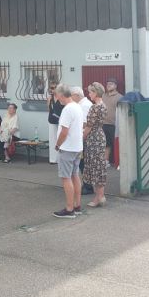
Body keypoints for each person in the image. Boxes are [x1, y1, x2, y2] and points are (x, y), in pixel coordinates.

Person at [53, 84, 84, 219]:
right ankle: (77, 206)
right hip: (77, 146)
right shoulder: (77, 106)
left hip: (67, 147)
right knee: (75, 175)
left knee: (66, 178)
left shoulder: (67, 109)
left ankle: (69, 209)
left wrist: (58, 144)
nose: (56, 98)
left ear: (61, 95)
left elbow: (64, 131)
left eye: (56, 95)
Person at [83, 83, 108, 207]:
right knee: (99, 166)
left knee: (95, 167)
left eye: (90, 92)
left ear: (96, 93)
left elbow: (89, 125)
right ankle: (100, 196)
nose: (89, 94)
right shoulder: (103, 105)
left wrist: (83, 137)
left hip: (93, 137)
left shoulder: (95, 107)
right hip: (100, 136)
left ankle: (99, 197)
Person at [70, 86, 94, 195]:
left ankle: (88, 186)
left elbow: (85, 123)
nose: (70, 98)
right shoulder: (82, 104)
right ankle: (87, 184)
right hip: (83, 137)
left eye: (71, 96)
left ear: (76, 95)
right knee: (82, 163)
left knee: (84, 163)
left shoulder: (84, 105)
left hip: (84, 137)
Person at [102, 78, 122, 166]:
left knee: (116, 143)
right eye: (107, 84)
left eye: (111, 84)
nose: (108, 85)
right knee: (106, 144)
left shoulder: (120, 97)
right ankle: (106, 161)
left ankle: (118, 162)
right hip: (103, 124)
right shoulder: (103, 96)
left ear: (115, 86)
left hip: (114, 124)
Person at [47, 82, 63, 164]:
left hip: (61, 121)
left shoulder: (62, 97)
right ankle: (53, 159)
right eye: (51, 88)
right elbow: (49, 109)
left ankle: (61, 158)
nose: (52, 90)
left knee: (60, 139)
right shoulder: (50, 98)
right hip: (52, 120)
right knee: (53, 139)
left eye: (54, 88)